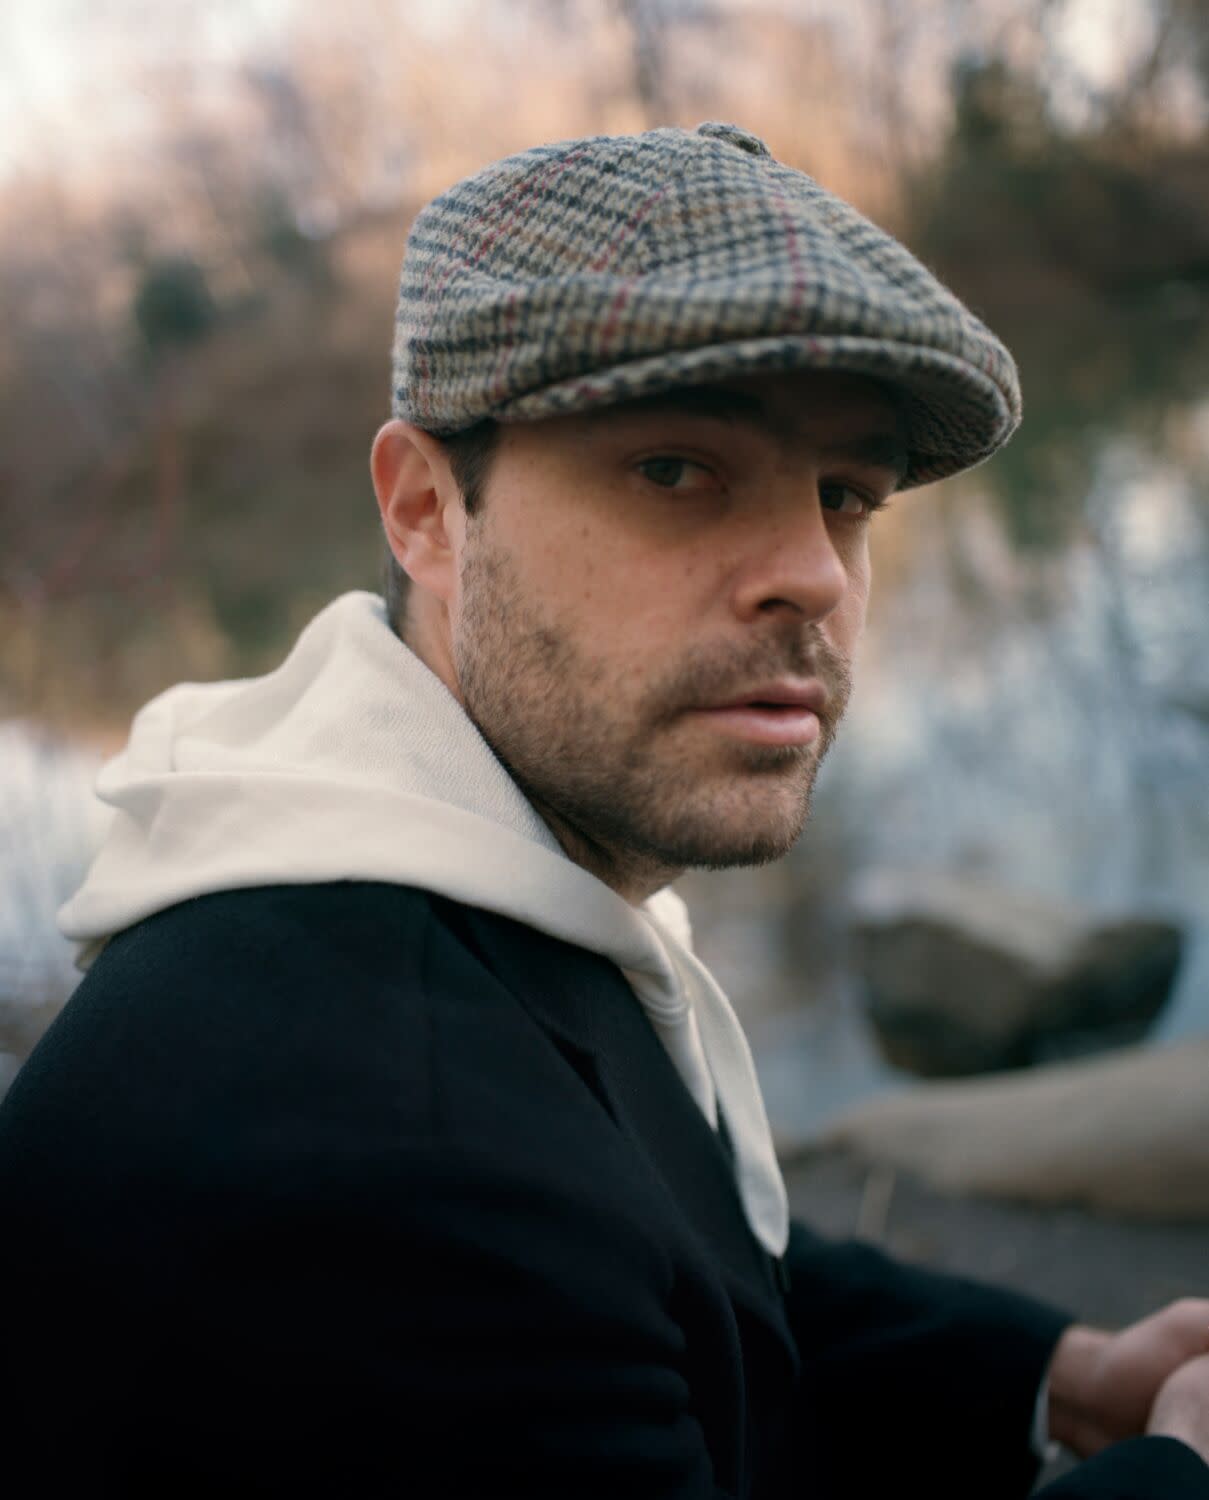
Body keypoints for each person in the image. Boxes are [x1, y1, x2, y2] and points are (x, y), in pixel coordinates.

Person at [1, 121, 1207, 1499]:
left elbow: (678, 1254)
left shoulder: (429, 858)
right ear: (426, 511)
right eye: (676, 469)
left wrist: (1050, 1375)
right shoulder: (377, 1151)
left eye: (843, 495)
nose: (811, 574)